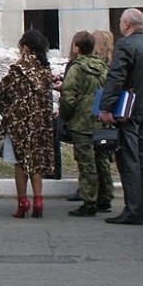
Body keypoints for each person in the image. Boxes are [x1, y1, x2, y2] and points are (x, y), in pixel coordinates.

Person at [99, 8, 143, 225]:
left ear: (127, 24)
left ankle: (133, 210)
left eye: (121, 22)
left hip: (128, 111)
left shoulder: (125, 45)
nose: (120, 25)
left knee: (129, 158)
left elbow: (116, 77)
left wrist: (106, 108)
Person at [0, 29, 54, 219]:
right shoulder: (45, 71)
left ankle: (22, 202)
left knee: (20, 162)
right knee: (35, 161)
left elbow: (2, 94)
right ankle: (38, 199)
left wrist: (9, 112)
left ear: (25, 48)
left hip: (19, 123)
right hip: (39, 123)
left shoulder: (17, 70)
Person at [59, 31, 113, 217]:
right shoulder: (104, 67)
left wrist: (66, 115)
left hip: (81, 122)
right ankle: (105, 198)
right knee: (102, 160)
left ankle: (89, 201)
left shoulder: (76, 68)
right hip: (100, 119)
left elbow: (68, 94)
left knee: (86, 162)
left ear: (76, 47)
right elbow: (111, 91)